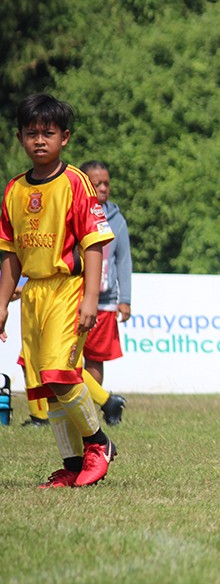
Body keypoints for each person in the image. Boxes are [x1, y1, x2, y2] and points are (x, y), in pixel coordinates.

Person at [0, 93, 118, 487]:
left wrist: (89, 299)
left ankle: (99, 444)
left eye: (47, 133)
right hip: (33, 295)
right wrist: (2, 303)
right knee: (46, 387)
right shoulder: (14, 190)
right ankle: (71, 465)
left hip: (68, 288)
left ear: (64, 138)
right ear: (20, 138)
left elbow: (95, 243)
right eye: (31, 133)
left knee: (61, 372)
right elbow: (10, 254)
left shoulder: (75, 183)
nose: (39, 140)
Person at [78, 160, 130, 426]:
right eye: (96, 183)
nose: (103, 188)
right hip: (74, 297)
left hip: (106, 302)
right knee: (67, 358)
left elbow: (123, 261)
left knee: (95, 359)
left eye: (106, 183)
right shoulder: (73, 212)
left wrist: (125, 300)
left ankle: (91, 407)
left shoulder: (117, 220)